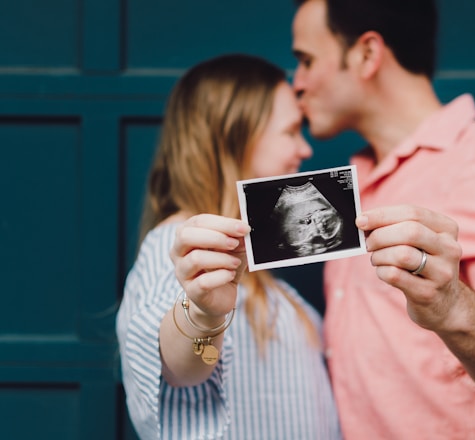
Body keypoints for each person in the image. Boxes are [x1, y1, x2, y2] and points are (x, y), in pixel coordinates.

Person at [290, 0, 475, 439]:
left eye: (306, 60)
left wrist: (450, 305)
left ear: (367, 54)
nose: (296, 83)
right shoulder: (354, 182)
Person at [116, 53, 341, 440]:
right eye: (289, 131)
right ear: (233, 138)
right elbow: (179, 367)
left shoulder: (253, 269)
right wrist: (203, 314)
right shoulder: (180, 248)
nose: (304, 150)